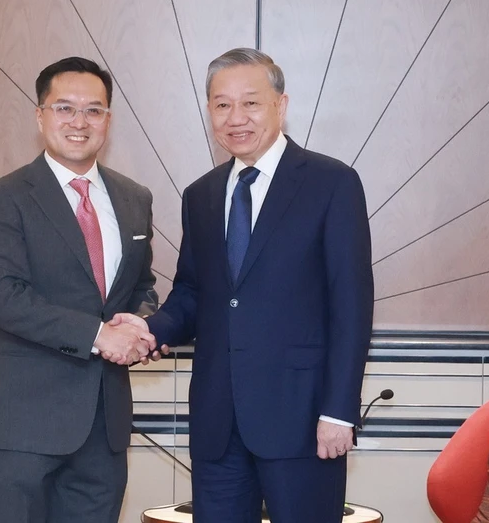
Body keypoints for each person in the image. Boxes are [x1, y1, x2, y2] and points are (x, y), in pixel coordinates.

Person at [115, 47, 374, 522]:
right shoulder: (201, 195)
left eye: (251, 103)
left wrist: (339, 410)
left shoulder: (332, 183)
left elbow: (351, 306)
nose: (236, 117)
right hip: (217, 422)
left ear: (281, 104)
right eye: (222, 104)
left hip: (302, 420)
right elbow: (194, 292)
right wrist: (151, 329)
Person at [0, 56, 159, 523]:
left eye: (94, 110)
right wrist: (100, 335)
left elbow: (142, 284)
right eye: (65, 108)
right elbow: (2, 297)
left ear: (108, 121)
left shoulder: (134, 198)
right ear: (40, 116)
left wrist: (141, 324)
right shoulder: (4, 198)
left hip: (105, 423)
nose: (80, 122)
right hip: (25, 422)